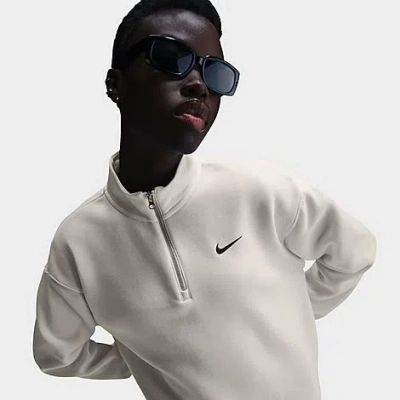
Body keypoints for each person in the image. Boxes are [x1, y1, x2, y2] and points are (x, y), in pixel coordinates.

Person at [32, 1, 377, 399]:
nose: (199, 84)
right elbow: (57, 354)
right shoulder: (80, 241)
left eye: (215, 72)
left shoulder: (259, 190)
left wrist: (290, 313)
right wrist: (142, 354)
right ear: (116, 84)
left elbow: (354, 252)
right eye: (170, 58)